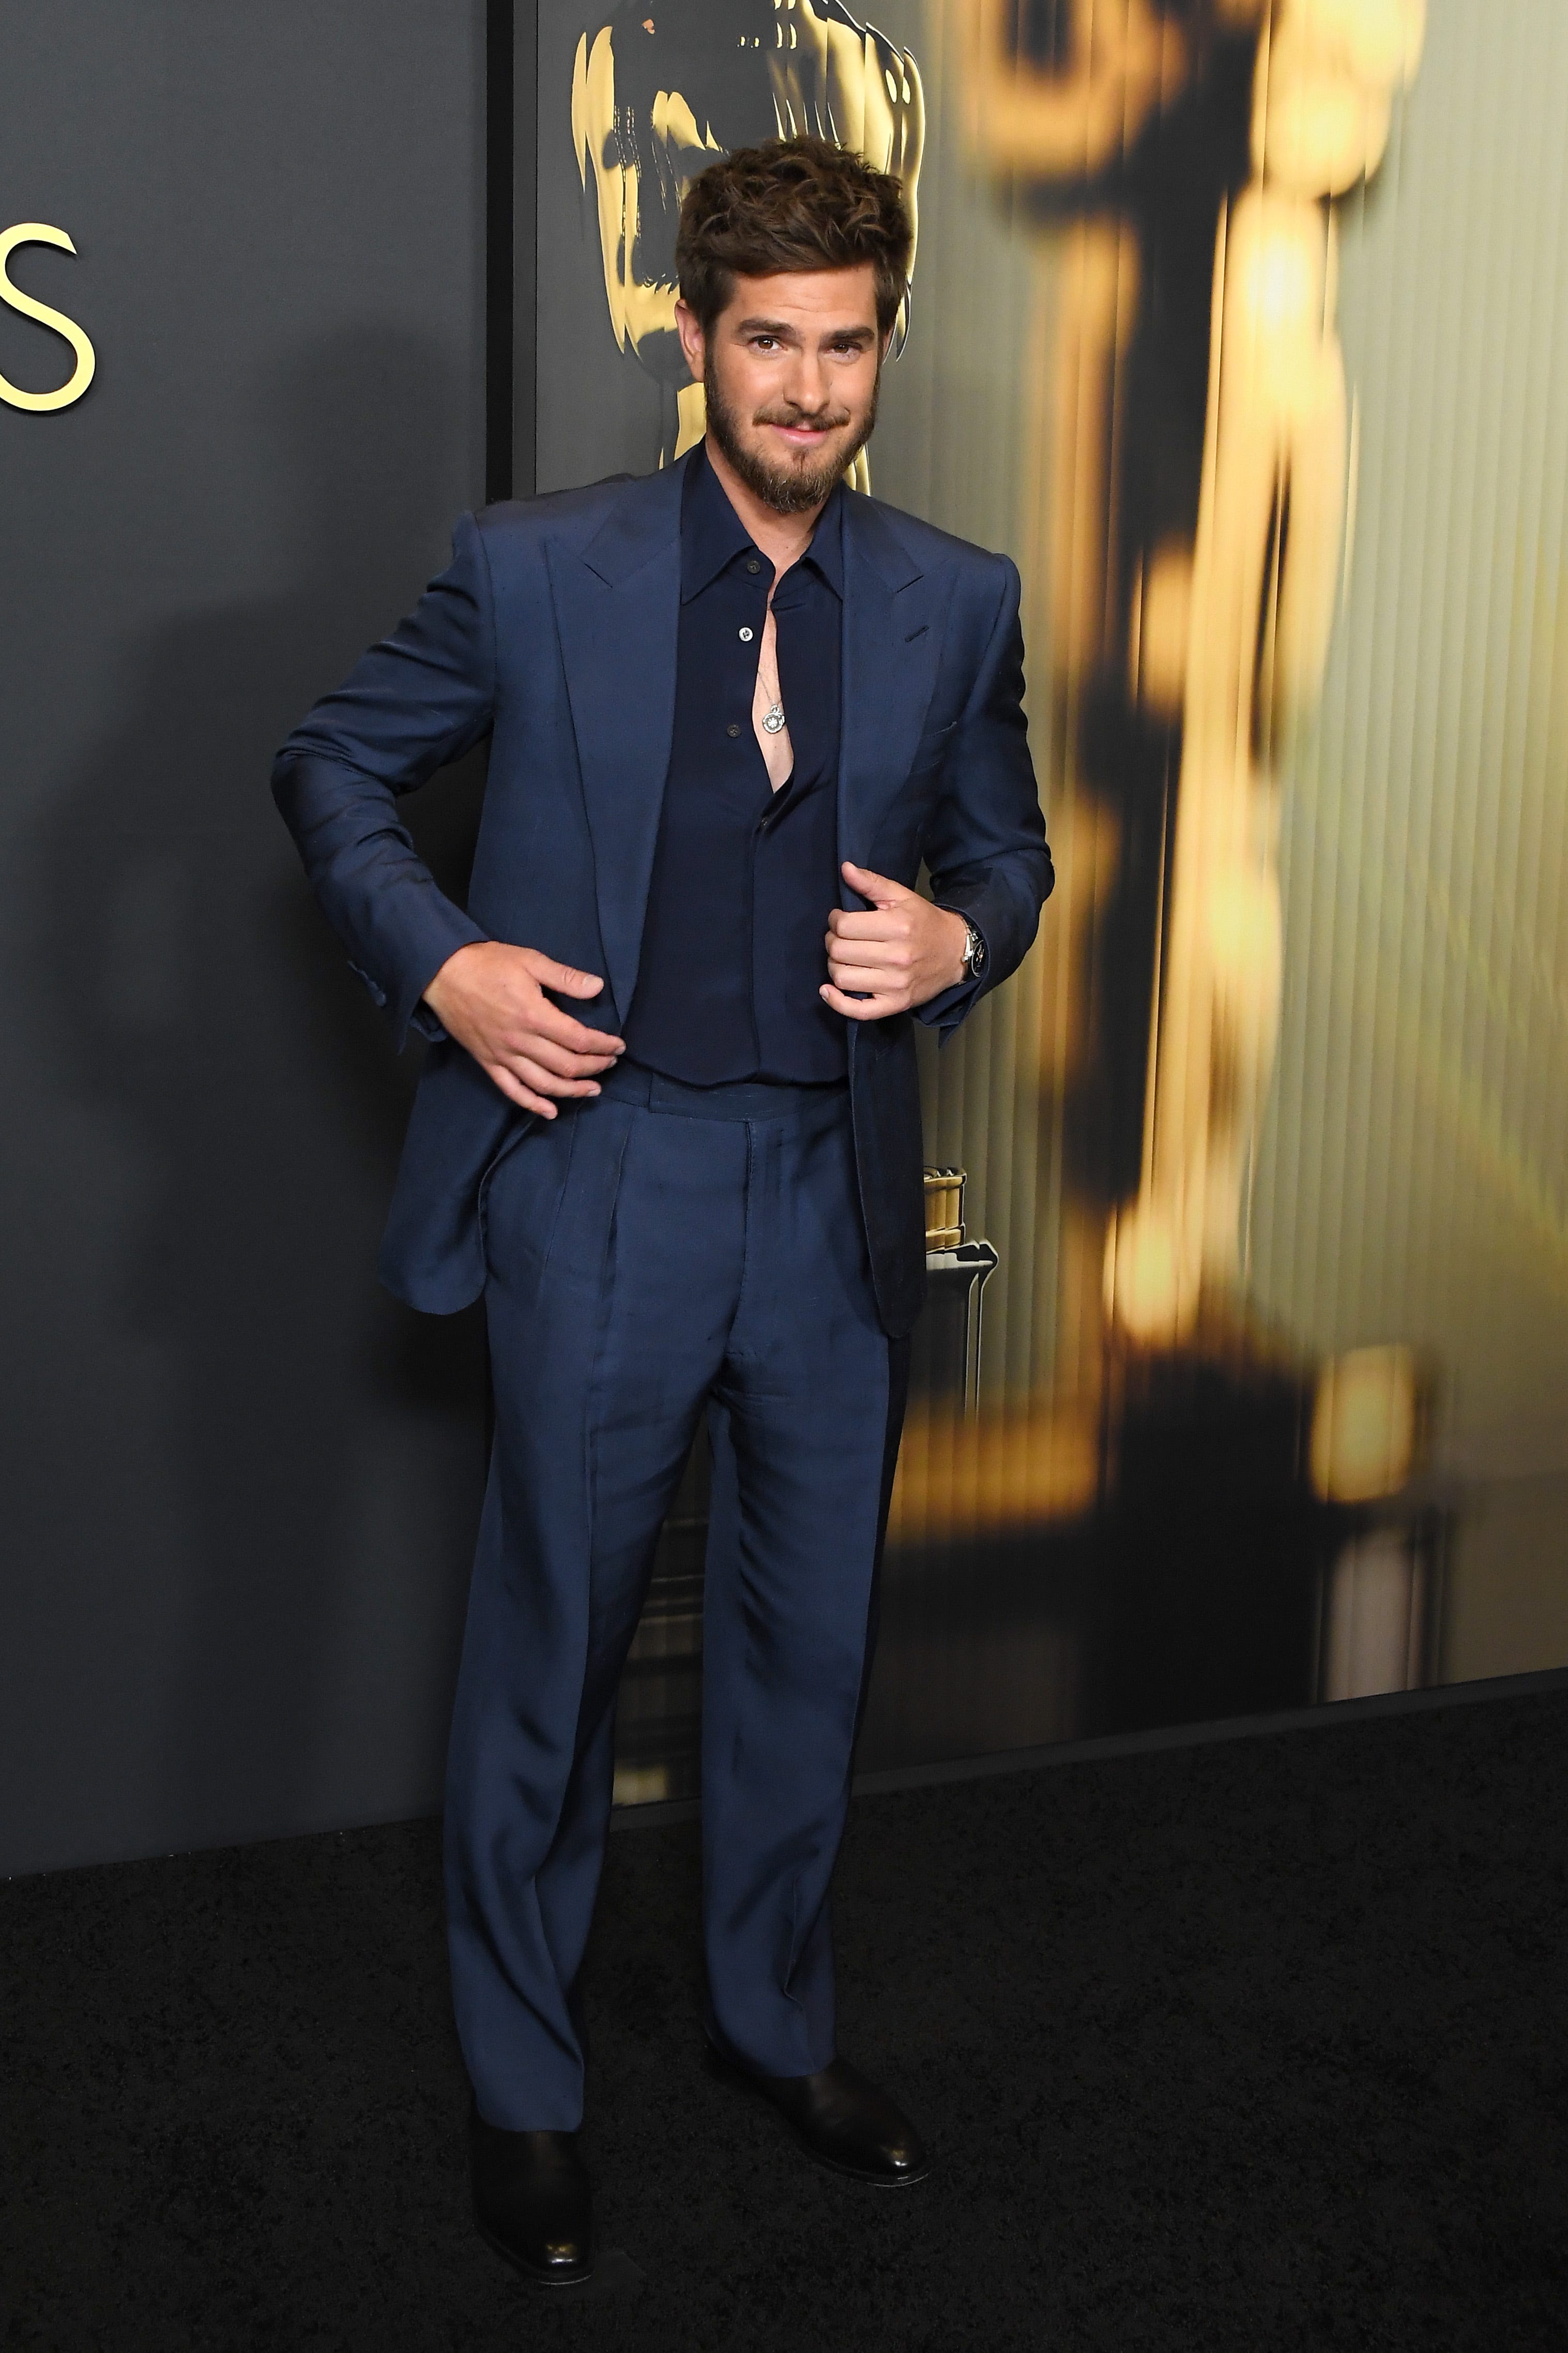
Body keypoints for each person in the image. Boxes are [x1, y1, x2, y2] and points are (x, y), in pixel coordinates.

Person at [272, 135, 1051, 2289]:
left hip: (829, 1195)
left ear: (889, 343)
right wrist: (440, 960)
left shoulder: (956, 595)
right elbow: (330, 765)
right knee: (553, 1654)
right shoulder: (539, 570)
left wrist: (963, 942)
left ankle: (774, 2025)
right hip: (602, 1181)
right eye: (770, 343)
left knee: (808, 1654)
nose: (809, 390)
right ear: (694, 338)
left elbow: (1019, 851)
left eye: (847, 345)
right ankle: (525, 2086)